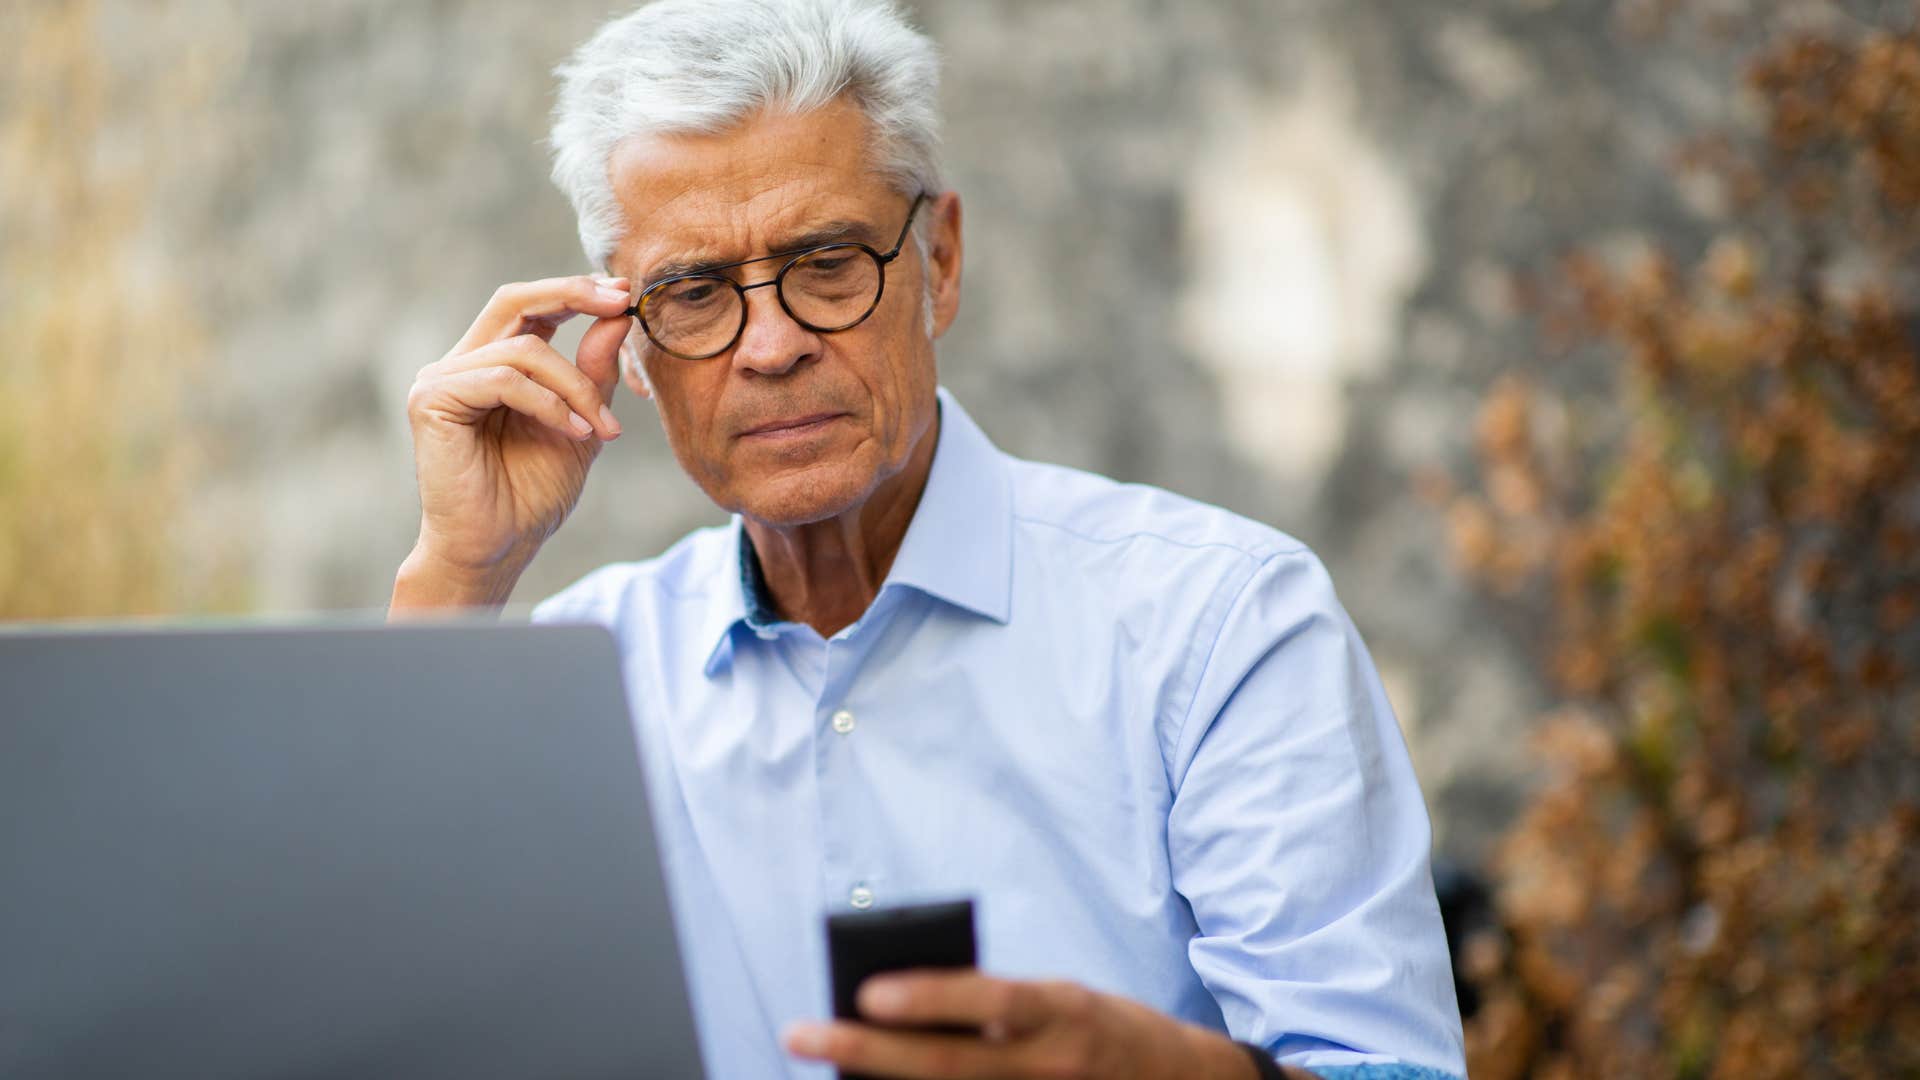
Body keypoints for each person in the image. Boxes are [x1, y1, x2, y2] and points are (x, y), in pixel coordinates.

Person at [389, 1, 1467, 1077]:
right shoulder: (586, 675)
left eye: (827, 262)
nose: (770, 346)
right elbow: (381, 1019)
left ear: (939, 262)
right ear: (626, 344)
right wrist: (459, 572)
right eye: (695, 292)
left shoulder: (1217, 623)